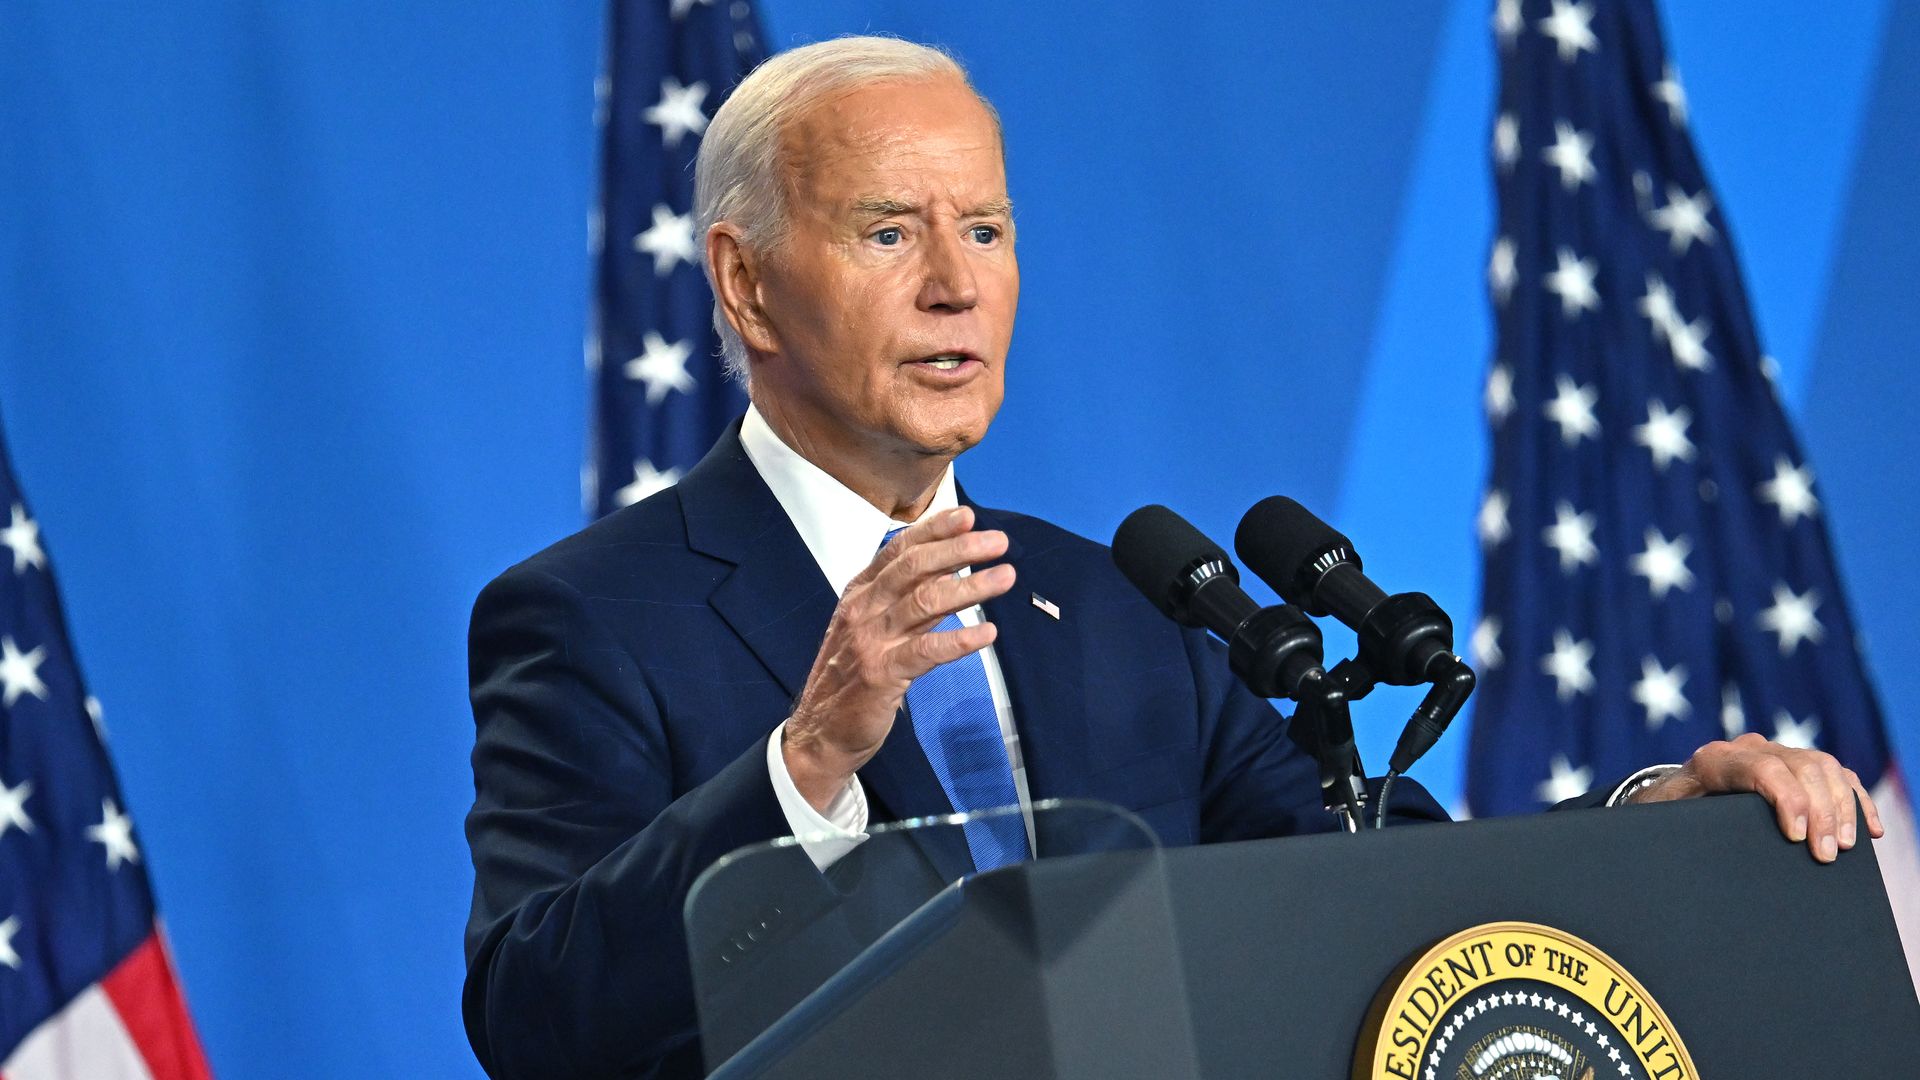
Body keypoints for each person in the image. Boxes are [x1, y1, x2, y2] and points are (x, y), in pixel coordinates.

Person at [462, 36, 1883, 1080]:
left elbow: (1366, 891)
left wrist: (1663, 814)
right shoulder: (590, 617)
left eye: (988, 229)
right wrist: (811, 761)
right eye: (890, 232)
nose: (957, 283)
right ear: (746, 284)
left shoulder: (1111, 606)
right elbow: (534, 1019)